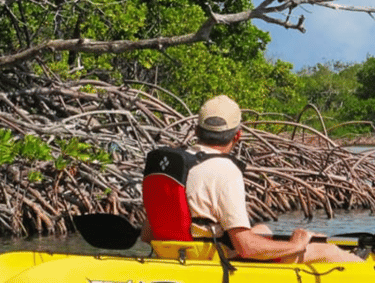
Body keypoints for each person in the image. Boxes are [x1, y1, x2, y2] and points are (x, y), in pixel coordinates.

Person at [141, 94, 362, 263]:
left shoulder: (174, 166)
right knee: (329, 250)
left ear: (197, 131)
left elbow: (147, 235)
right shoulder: (224, 170)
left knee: (263, 229)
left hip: (177, 251)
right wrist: (296, 244)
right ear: (238, 135)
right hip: (209, 259)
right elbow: (247, 248)